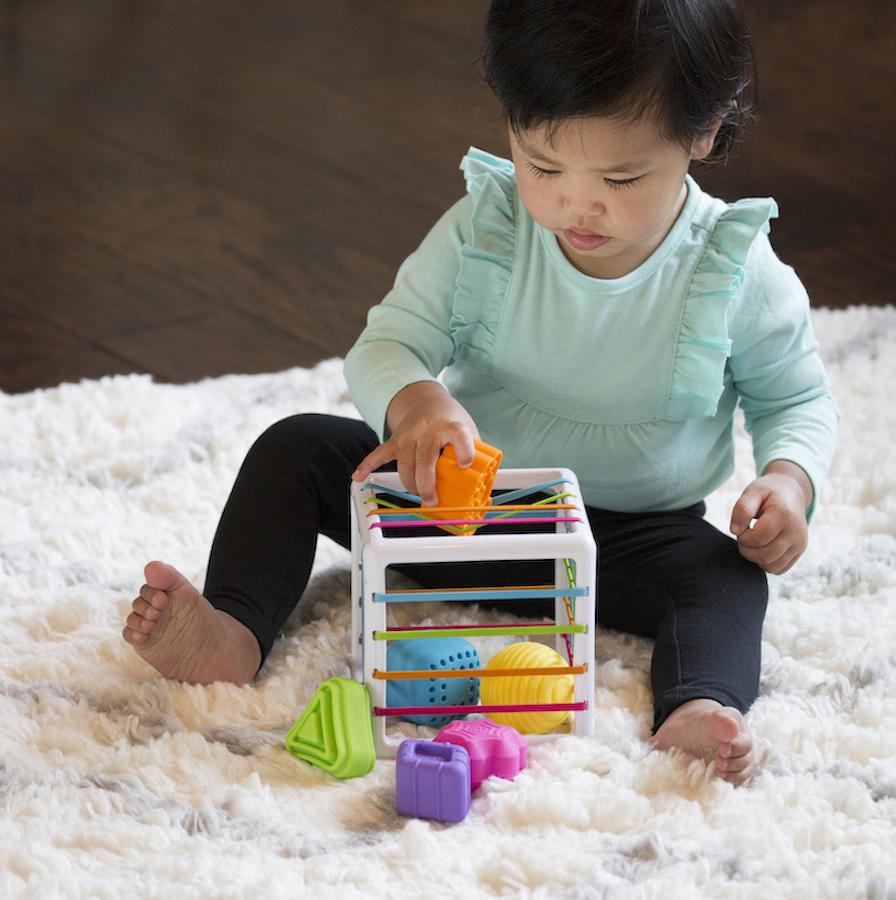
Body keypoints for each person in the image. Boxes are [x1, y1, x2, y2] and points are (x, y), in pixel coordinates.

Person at [122, 0, 839, 787]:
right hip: (458, 510)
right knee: (295, 448)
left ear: (702, 132)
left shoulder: (733, 270)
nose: (577, 204)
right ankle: (232, 630)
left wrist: (788, 481)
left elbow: (797, 399)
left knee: (726, 576)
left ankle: (696, 702)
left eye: (621, 177)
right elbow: (388, 343)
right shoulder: (488, 230)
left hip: (627, 546)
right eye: (543, 166)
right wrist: (417, 403)